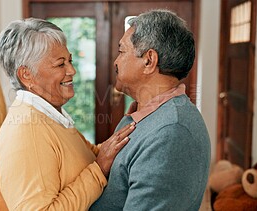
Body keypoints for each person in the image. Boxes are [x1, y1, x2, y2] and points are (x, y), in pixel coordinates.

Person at [0, 18, 135, 210]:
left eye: (70, 60)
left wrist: (133, 125)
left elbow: (89, 155)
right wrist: (98, 170)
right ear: (26, 75)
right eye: (60, 64)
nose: (72, 70)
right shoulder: (27, 133)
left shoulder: (50, 116)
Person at [90, 9, 211, 210]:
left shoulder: (171, 133)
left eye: (121, 51)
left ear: (149, 61)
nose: (115, 62)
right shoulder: (146, 116)